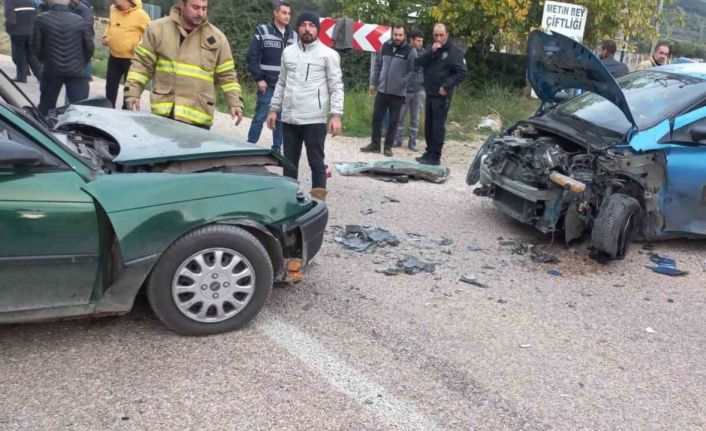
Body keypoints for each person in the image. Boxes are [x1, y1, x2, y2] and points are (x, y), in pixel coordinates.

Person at [124, 0, 244, 129]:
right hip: (164, 113)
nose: (201, 13)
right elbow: (142, 65)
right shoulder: (157, 30)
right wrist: (133, 92)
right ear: (182, 4)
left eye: (204, 8)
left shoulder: (217, 38)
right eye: (196, 7)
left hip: (198, 117)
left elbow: (227, 75)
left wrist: (235, 102)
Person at [266, 11, 343, 201]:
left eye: (311, 25)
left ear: (317, 29)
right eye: (303, 25)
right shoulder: (288, 52)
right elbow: (281, 82)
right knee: (289, 163)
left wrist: (335, 115)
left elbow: (336, 86)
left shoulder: (329, 55)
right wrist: (273, 109)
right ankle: (289, 202)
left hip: (314, 119)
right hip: (290, 117)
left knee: (316, 162)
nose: (307, 29)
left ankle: (318, 205)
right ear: (297, 27)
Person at [245, 0, 296, 152]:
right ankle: (249, 146)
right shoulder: (263, 30)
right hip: (266, 85)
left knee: (280, 119)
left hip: (285, 87)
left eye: (289, 14)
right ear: (275, 13)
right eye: (284, 13)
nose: (287, 16)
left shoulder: (294, 36)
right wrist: (259, 78)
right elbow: (251, 56)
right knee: (260, 116)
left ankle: (276, 150)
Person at [360, 25, 417, 157]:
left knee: (393, 121)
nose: (397, 37)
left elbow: (414, 71)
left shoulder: (410, 51)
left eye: (400, 35)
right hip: (382, 90)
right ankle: (375, 144)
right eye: (395, 34)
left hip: (398, 93)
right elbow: (378, 65)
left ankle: (388, 147)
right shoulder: (385, 46)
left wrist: (402, 82)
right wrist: (373, 83)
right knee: (376, 118)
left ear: (405, 36)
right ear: (392, 34)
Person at [415, 23, 467, 166]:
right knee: (429, 125)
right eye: (436, 35)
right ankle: (429, 152)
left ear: (447, 35)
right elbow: (418, 62)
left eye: (441, 35)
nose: (439, 38)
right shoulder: (432, 49)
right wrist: (430, 51)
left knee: (438, 126)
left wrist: (447, 86)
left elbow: (462, 73)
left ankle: (435, 156)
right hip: (430, 92)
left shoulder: (454, 52)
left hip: (442, 95)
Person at [32, 0, 93, 116]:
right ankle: (75, 131)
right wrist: (82, 62)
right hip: (77, 71)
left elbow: (35, 46)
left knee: (46, 106)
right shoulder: (79, 21)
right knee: (79, 109)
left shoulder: (40, 19)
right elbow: (89, 47)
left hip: (51, 69)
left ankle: (43, 131)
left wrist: (44, 61)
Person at [102, 0, 150, 108]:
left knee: (128, 92)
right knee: (110, 88)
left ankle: (125, 114)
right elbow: (110, 25)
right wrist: (106, 37)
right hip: (113, 57)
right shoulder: (113, 9)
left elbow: (150, 34)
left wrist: (139, 46)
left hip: (131, 60)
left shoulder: (140, 15)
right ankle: (108, 112)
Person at [394, 29, 425, 151]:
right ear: (411, 40)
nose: (420, 43)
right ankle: (398, 140)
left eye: (421, 41)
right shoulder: (404, 52)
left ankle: (413, 142)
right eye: (418, 41)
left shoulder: (424, 53)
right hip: (404, 90)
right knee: (399, 116)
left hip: (418, 90)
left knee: (415, 118)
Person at [4, 0, 42, 83]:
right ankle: (40, 76)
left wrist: (9, 30)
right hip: (30, 30)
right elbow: (36, 15)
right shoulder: (30, 1)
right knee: (30, 55)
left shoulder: (10, 1)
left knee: (18, 55)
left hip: (17, 32)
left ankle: (21, 77)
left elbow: (9, 17)